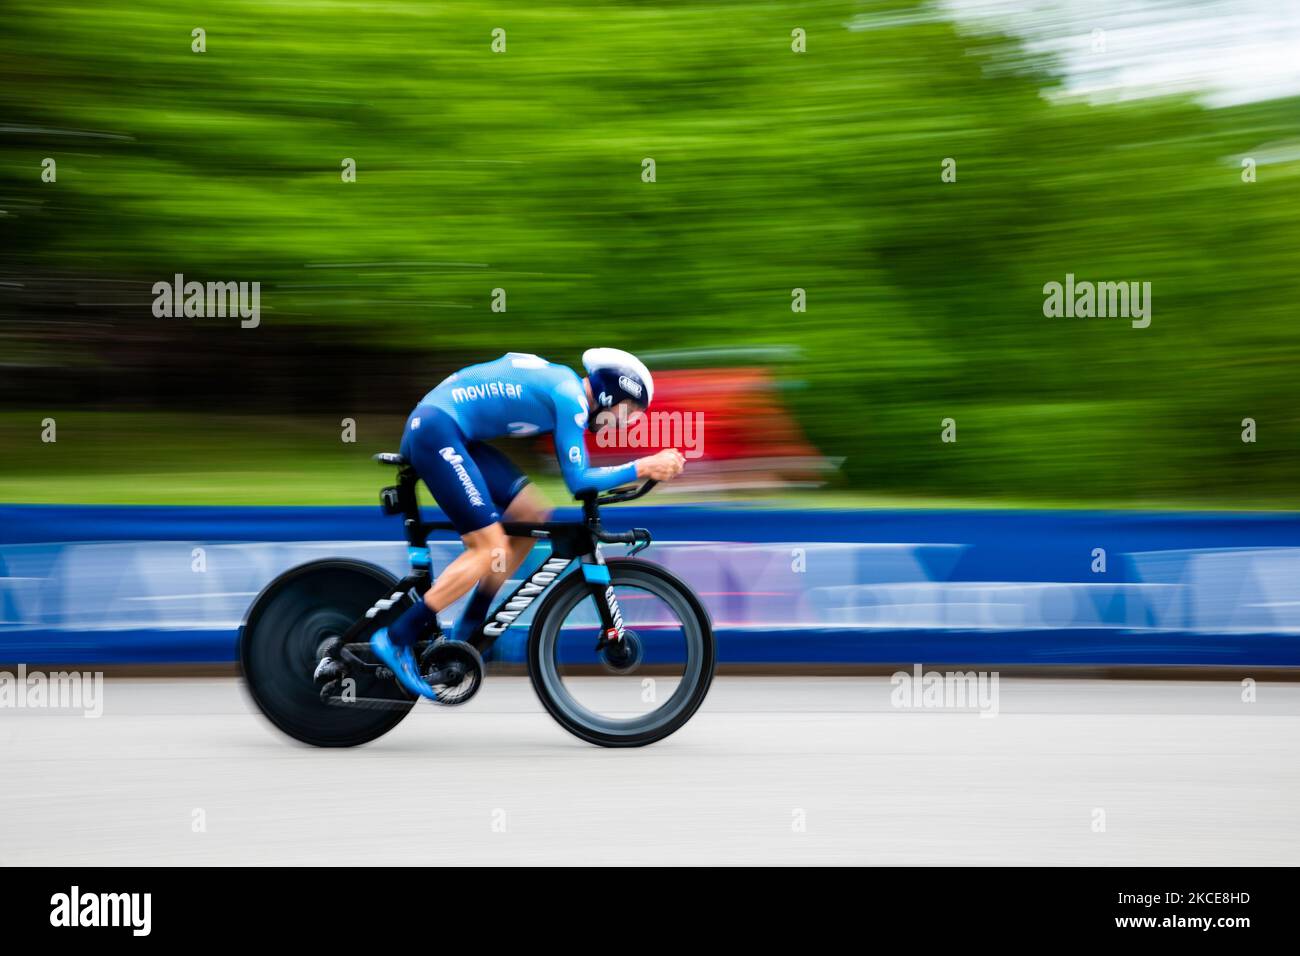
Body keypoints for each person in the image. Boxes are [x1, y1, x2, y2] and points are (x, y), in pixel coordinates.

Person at [370, 349, 686, 698]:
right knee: (489, 547)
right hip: (436, 429)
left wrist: (640, 469)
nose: (624, 423)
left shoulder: (567, 390)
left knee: (530, 514)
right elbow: (578, 482)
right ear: (612, 391)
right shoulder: (571, 397)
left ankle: (471, 627)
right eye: (628, 411)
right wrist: (643, 467)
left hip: (449, 429)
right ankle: (396, 637)